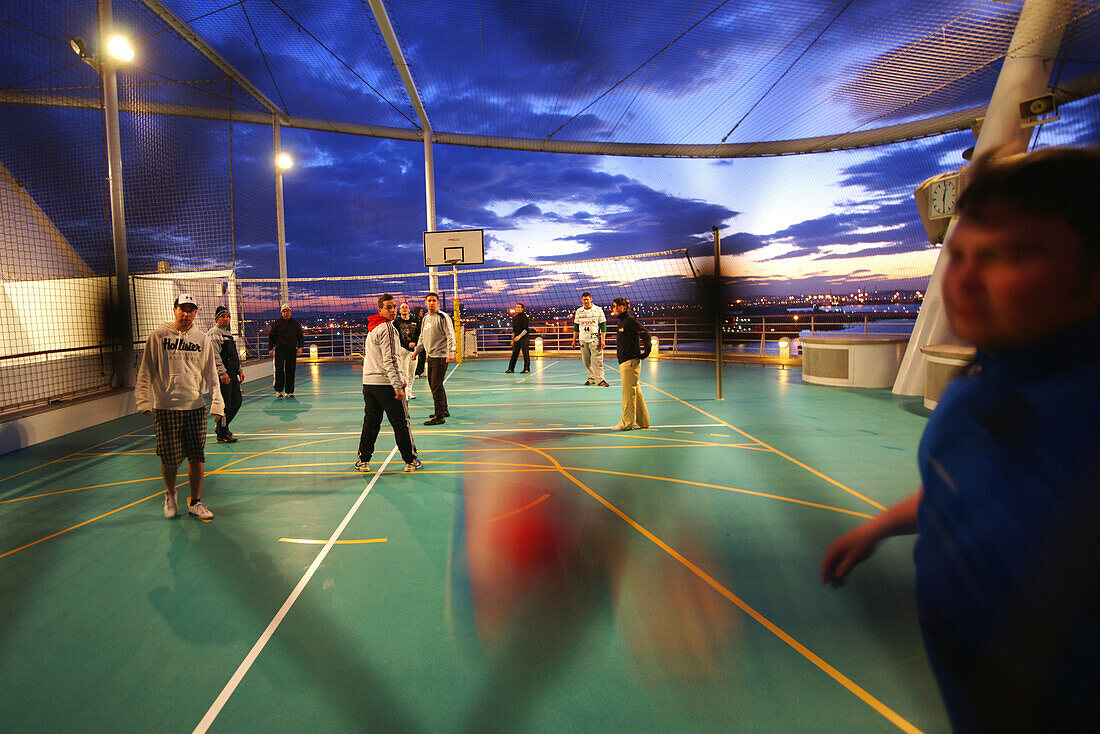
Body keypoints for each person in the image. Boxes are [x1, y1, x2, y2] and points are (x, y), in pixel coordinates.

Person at [819, 146, 1100, 732]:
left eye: (1005, 256)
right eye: (960, 256)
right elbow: (966, 486)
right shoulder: (974, 394)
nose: (967, 279)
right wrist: (879, 527)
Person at [135, 294, 225, 521]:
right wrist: (144, 400)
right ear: (174, 310)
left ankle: (195, 502)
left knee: (197, 456)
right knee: (170, 458)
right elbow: (146, 370)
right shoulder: (158, 336)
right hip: (167, 408)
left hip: (195, 407)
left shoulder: (202, 339)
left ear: (196, 312)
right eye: (182, 309)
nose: (186, 314)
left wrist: (217, 403)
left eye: (191, 310)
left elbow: (211, 374)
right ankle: (171, 493)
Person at [355, 294, 421, 473]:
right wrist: (398, 385)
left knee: (371, 422)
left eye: (394, 307)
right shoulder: (388, 329)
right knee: (401, 422)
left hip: (369, 384)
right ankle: (410, 460)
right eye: (388, 307)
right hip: (386, 385)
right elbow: (390, 360)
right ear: (380, 310)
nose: (392, 310)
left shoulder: (372, 328)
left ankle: (363, 460)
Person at [412, 292, 456, 425]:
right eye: (429, 301)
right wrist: (416, 351)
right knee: (434, 385)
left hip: (441, 356)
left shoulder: (443, 317)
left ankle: (439, 417)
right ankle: (444, 410)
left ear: (438, 303)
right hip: (430, 356)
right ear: (425, 303)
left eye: (433, 301)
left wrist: (451, 352)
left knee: (435, 386)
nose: (431, 303)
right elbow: (422, 337)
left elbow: (450, 334)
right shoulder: (425, 318)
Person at [610, 297, 651, 431]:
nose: (615, 308)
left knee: (628, 394)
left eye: (618, 306)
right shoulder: (622, 322)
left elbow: (645, 334)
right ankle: (644, 421)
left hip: (630, 363)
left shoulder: (629, 321)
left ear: (625, 307)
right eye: (613, 306)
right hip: (626, 362)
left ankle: (627, 423)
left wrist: (646, 352)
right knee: (636, 393)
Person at [207, 305, 245, 443]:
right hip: (223, 375)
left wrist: (239, 370)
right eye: (223, 316)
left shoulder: (228, 334)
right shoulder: (213, 334)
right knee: (225, 405)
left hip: (232, 373)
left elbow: (234, 355)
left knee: (237, 401)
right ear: (217, 318)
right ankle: (222, 433)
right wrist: (222, 372)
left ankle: (221, 428)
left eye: (228, 316)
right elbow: (214, 355)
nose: (226, 319)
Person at [570, 291, 609, 386]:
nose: (586, 301)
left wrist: (603, 340)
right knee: (586, 361)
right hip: (583, 339)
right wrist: (574, 340)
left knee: (597, 361)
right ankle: (591, 379)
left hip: (595, 338)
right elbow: (576, 327)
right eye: (584, 300)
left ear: (591, 299)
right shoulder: (579, 311)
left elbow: (603, 326)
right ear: (582, 300)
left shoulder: (598, 310)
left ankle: (600, 380)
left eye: (587, 299)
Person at [268, 303, 303, 398]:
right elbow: (271, 337)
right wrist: (270, 348)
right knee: (279, 370)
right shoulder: (277, 323)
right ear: (281, 313)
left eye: (287, 311)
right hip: (280, 350)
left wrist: (300, 347)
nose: (286, 313)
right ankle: (279, 391)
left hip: (291, 350)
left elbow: (300, 336)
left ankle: (289, 391)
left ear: (290, 312)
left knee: (290, 370)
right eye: (284, 311)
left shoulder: (295, 323)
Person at [394, 301, 421, 399]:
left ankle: (409, 392)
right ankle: (405, 393)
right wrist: (406, 344)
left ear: (409, 310)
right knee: (404, 373)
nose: (404, 308)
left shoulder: (415, 321)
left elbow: (419, 334)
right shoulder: (396, 322)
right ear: (400, 310)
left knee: (412, 373)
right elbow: (396, 337)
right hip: (402, 350)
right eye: (402, 307)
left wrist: (415, 343)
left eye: (406, 307)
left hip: (414, 350)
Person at [505, 302, 531, 373]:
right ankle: (511, 368)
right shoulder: (515, 317)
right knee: (515, 353)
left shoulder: (524, 317)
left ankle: (527, 368)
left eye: (519, 307)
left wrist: (519, 336)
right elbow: (514, 330)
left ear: (522, 309)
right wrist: (512, 340)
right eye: (517, 307)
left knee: (525, 353)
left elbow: (526, 329)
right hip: (516, 337)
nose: (517, 308)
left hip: (524, 337)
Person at [411, 302, 427, 378]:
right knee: (417, 357)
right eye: (421, 311)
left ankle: (421, 371)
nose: (422, 312)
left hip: (423, 341)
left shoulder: (422, 319)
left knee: (423, 356)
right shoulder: (414, 320)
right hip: (417, 341)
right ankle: (416, 372)